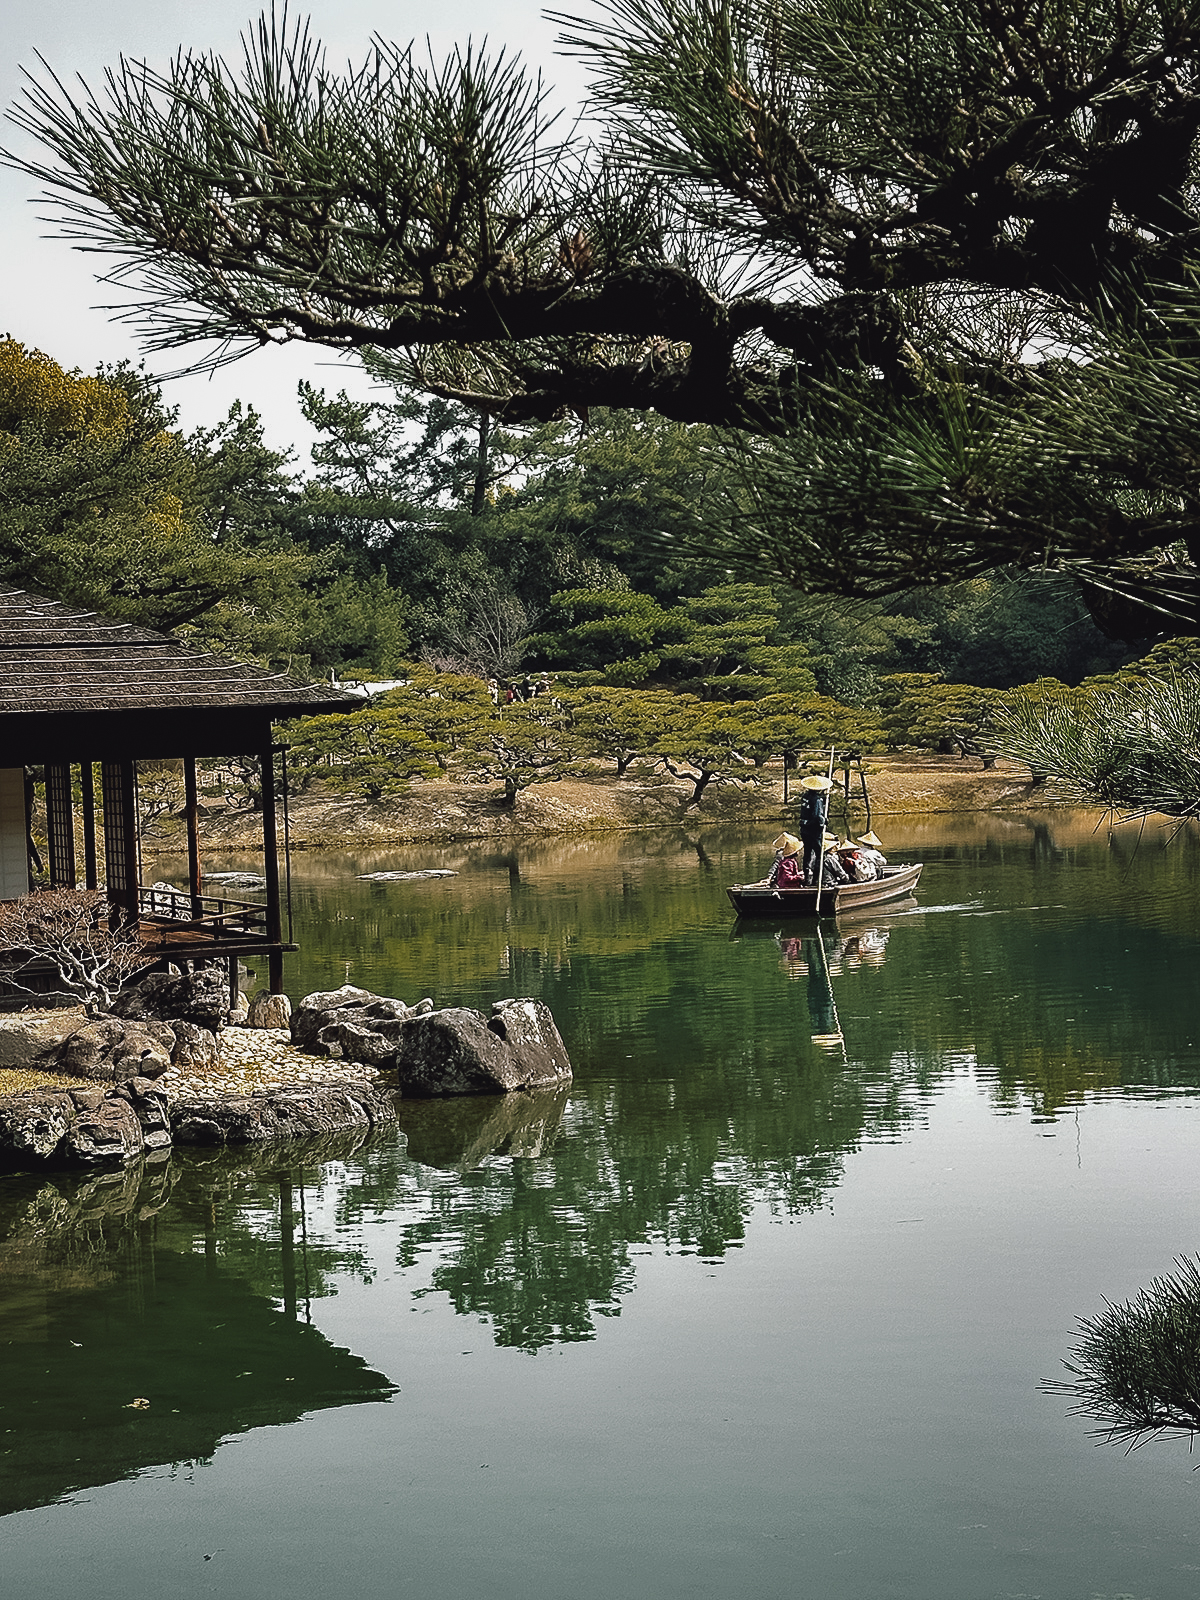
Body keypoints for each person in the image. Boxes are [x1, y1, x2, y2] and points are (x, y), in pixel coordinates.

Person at [797, 774, 833, 884]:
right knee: (820, 854)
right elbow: (818, 816)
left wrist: (824, 801)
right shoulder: (816, 799)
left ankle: (807, 877)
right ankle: (817, 879)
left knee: (807, 853)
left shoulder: (805, 796)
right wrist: (824, 821)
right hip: (814, 830)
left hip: (804, 829)